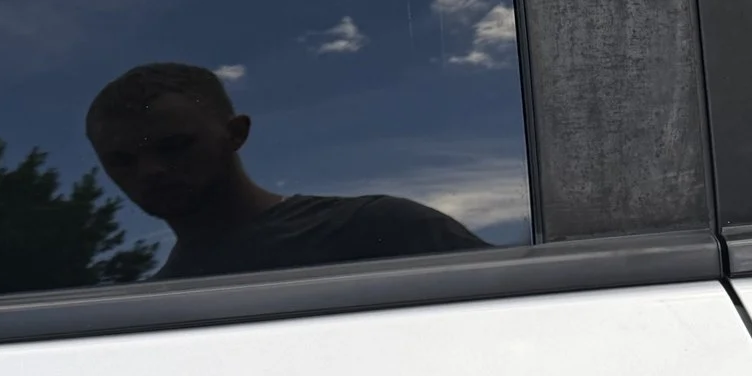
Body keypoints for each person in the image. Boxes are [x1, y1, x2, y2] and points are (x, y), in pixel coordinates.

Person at [84, 62, 485, 281]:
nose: (150, 170)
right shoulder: (158, 301)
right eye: (122, 161)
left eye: (174, 146)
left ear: (236, 134)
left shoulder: (383, 229)